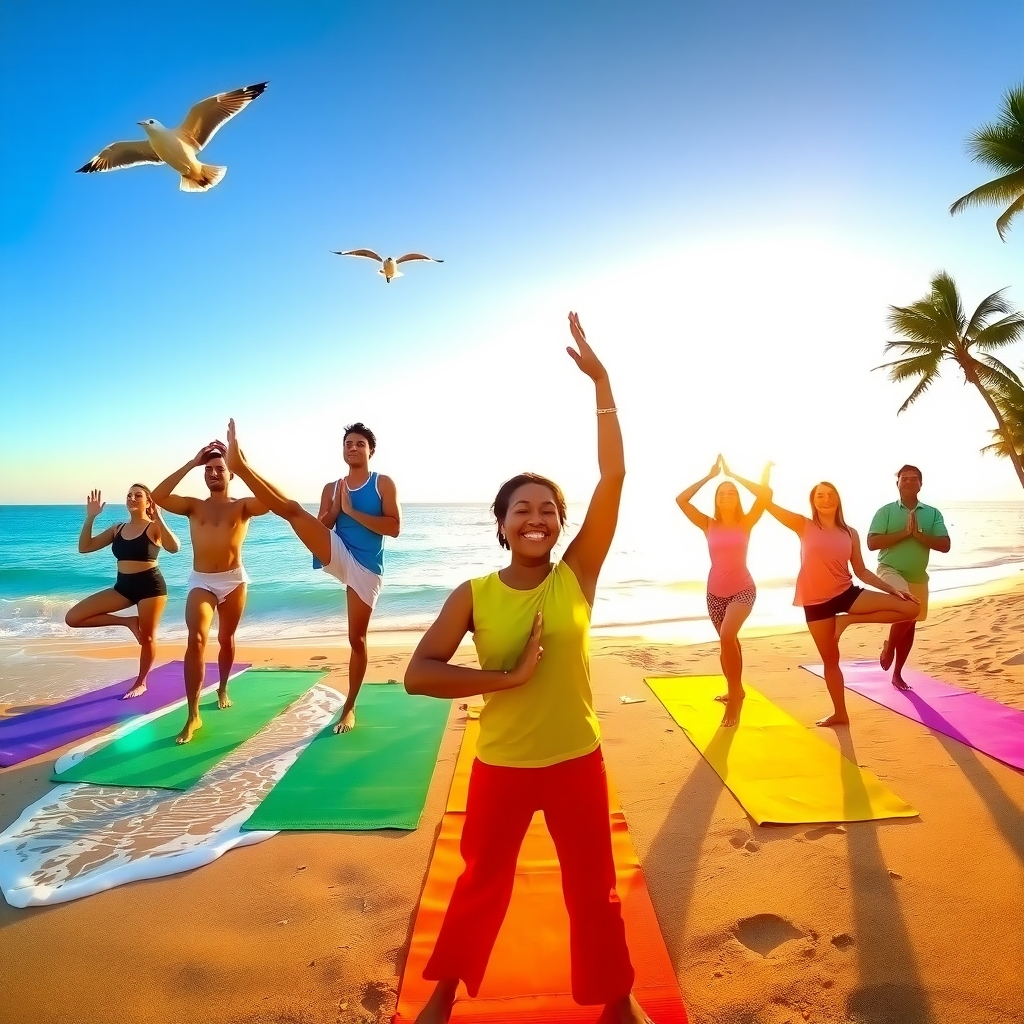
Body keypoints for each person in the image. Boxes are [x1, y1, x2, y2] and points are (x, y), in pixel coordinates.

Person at [403, 312, 654, 1024]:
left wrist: (602, 384)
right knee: (482, 882)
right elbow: (420, 673)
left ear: (560, 522)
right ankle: (445, 994)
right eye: (522, 509)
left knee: (593, 887)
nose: (535, 518)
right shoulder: (473, 595)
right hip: (502, 764)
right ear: (502, 523)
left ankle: (615, 996)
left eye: (547, 509)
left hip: (577, 759)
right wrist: (502, 681)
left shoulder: (576, 574)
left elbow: (615, 474)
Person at [224, 420, 400, 734]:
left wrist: (353, 511)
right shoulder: (331, 487)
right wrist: (335, 508)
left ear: (370, 450)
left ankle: (350, 707)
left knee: (356, 640)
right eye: (348, 444)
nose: (353, 448)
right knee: (292, 510)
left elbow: (394, 528)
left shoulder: (382, 483)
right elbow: (321, 525)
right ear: (343, 451)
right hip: (338, 550)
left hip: (367, 568)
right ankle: (242, 466)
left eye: (360, 443)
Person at [759, 480, 919, 726]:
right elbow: (766, 502)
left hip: (846, 593)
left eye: (830, 494)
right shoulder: (804, 525)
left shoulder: (850, 533)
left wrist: (893, 589)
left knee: (911, 608)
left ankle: (848, 620)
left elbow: (862, 571)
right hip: (816, 602)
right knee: (831, 660)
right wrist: (762, 477)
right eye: (820, 495)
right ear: (813, 501)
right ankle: (840, 713)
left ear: (838, 499)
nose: (826, 499)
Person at [152, 442, 268, 743]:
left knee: (226, 639)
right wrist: (192, 462)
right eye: (209, 470)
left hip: (234, 581)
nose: (214, 473)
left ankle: (223, 687)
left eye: (220, 469)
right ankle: (192, 714)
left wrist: (242, 463)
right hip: (201, 581)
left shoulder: (242, 506)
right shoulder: (194, 505)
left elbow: (268, 502)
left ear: (231, 475)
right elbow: (158, 496)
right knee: (197, 638)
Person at [675, 455, 773, 726]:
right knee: (728, 643)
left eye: (731, 493)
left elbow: (766, 494)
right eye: (722, 493)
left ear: (737, 498)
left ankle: (735, 699)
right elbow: (681, 500)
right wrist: (709, 477)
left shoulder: (747, 521)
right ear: (716, 499)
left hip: (743, 588)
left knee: (728, 636)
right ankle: (736, 688)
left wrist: (734, 475)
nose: (727, 495)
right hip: (714, 593)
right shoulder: (708, 524)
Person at [65, 485, 180, 698]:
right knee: (73, 618)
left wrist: (160, 518)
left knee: (147, 638)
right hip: (123, 587)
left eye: (138, 495)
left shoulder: (153, 527)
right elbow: (85, 547)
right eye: (129, 495)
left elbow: (174, 547)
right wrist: (90, 517)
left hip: (150, 588)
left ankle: (141, 682)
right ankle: (128, 621)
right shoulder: (117, 529)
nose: (132, 498)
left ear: (148, 502)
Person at [866, 465, 950, 690]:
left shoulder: (932, 513)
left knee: (910, 623)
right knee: (907, 603)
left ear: (921, 484)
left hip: (918, 576)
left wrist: (919, 535)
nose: (910, 482)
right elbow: (872, 543)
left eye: (914, 479)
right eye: (905, 479)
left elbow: (945, 545)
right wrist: (904, 533)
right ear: (898, 484)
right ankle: (890, 648)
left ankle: (897, 674)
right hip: (889, 570)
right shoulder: (885, 512)